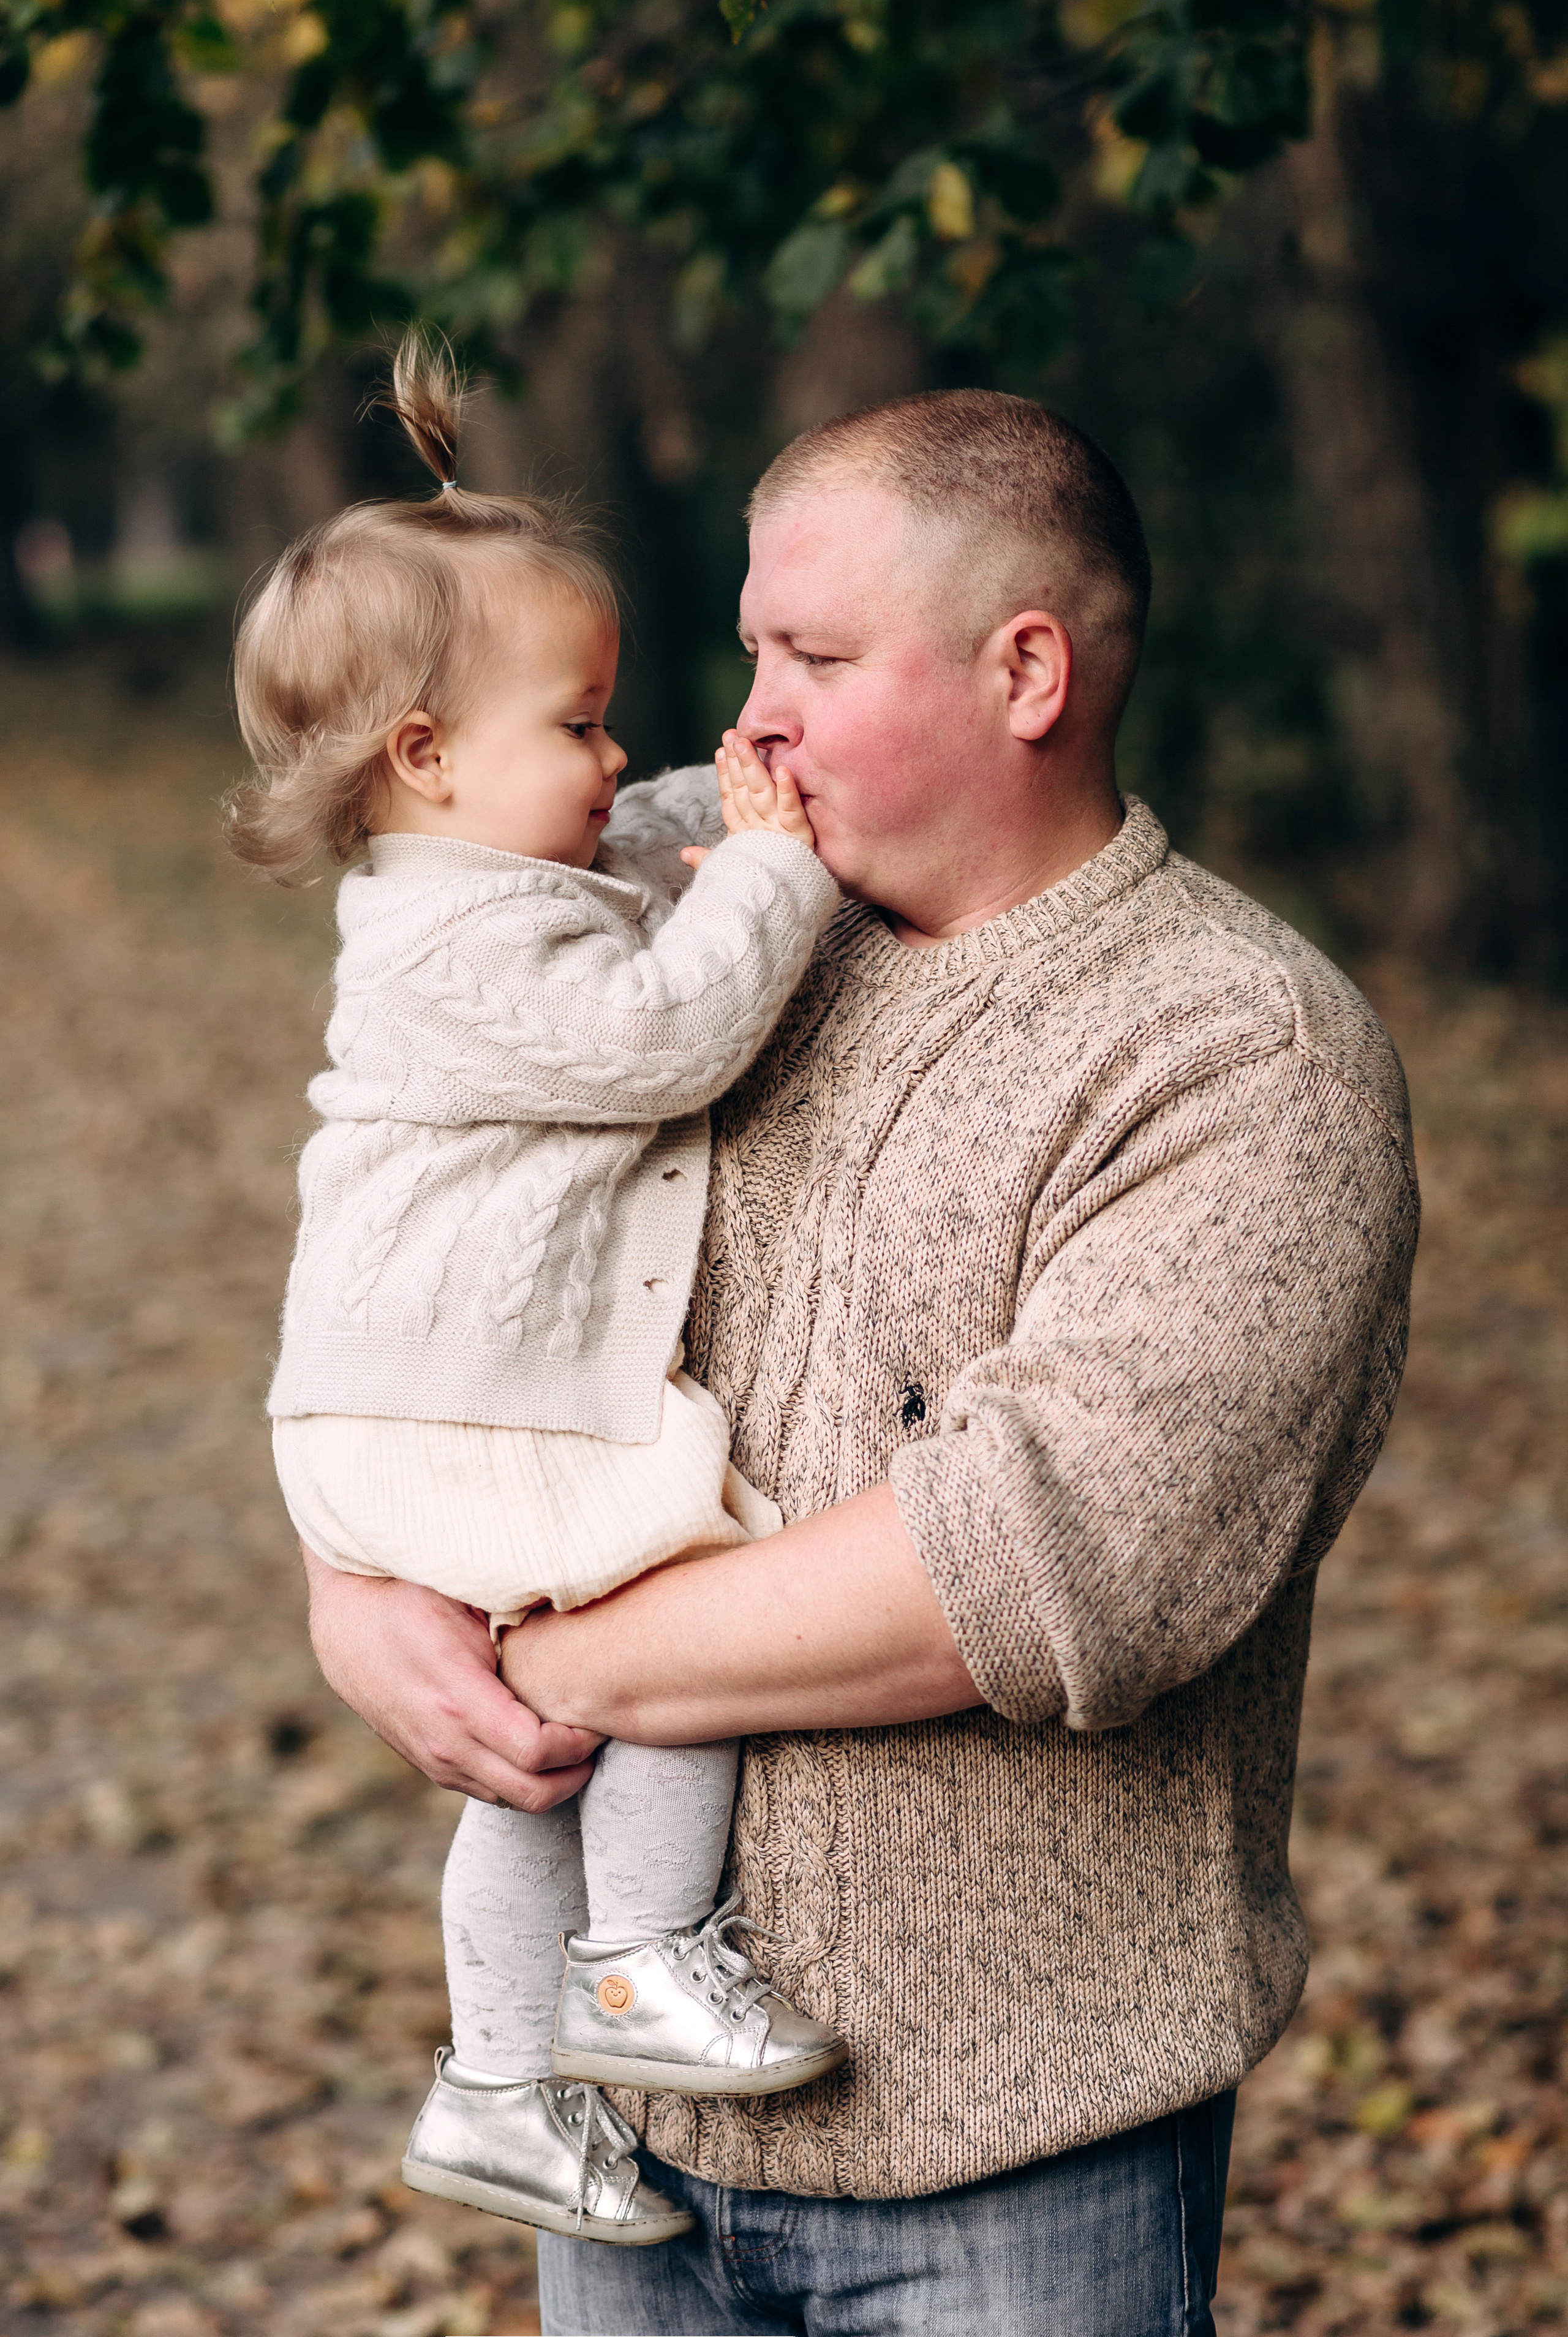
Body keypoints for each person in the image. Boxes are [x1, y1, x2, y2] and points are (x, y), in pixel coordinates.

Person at [303, 388, 1420, 2336]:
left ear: (1028, 672)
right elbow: (429, 1242)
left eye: (814, 658)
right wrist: (358, 1579)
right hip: (626, 2151)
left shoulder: (1239, 1054)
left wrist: (533, 1652)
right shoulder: (664, 907)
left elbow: (1047, 1566)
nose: (749, 725)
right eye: (748, 652)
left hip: (1011, 2164)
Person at [227, 334, 853, 2251]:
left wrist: (713, 806)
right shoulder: (454, 945)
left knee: (534, 1766)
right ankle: (640, 1961)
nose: (615, 756)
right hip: (445, 1407)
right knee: (684, 1606)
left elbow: (624, 849)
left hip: (412, 1399)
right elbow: (664, 1028)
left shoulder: (472, 886)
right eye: (579, 726)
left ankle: (499, 2086)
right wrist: (776, 878)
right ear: (424, 757)